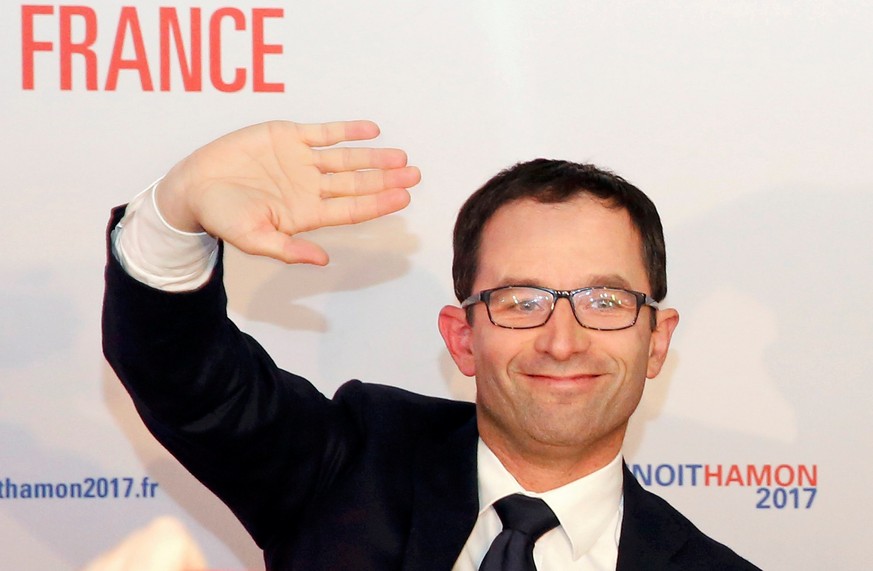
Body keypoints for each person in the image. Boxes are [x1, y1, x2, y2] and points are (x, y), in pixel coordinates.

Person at [102, 120, 760, 570]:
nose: (563, 340)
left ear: (655, 341)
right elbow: (188, 379)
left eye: (605, 302)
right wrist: (174, 213)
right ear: (461, 337)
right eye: (521, 301)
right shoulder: (351, 465)